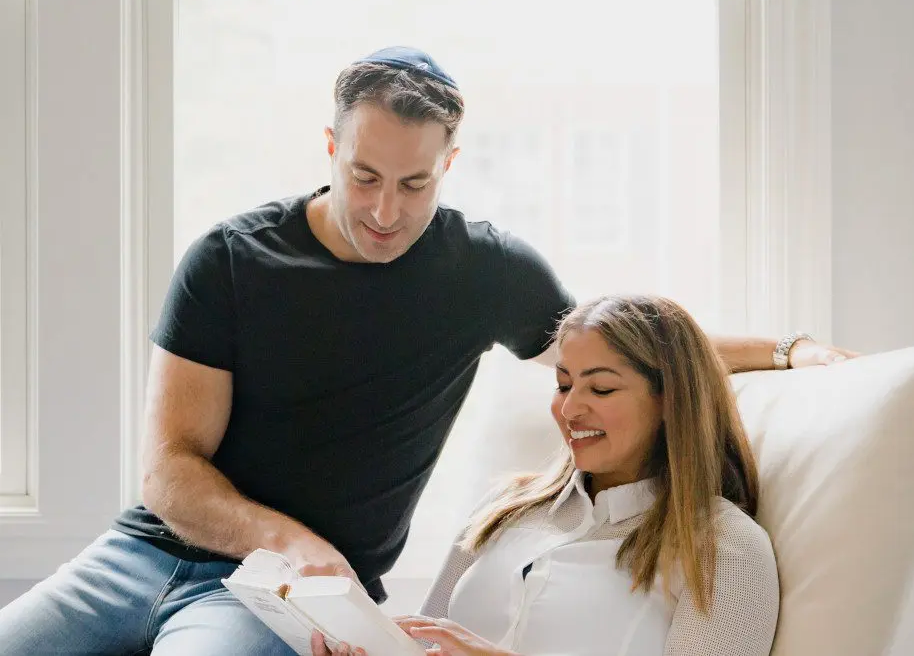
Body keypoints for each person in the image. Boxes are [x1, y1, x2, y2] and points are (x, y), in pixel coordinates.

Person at [0, 47, 848, 655]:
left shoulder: (484, 270)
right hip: (142, 552)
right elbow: (169, 473)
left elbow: (632, 346)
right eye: (364, 176)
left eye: (415, 184)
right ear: (331, 148)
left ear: (450, 163)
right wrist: (291, 539)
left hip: (281, 599)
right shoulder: (231, 259)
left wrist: (787, 348)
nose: (384, 211)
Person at [317, 295, 779, 656]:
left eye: (601, 388)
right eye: (563, 384)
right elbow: (421, 639)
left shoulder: (723, 546)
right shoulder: (504, 510)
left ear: (670, 400)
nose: (570, 408)